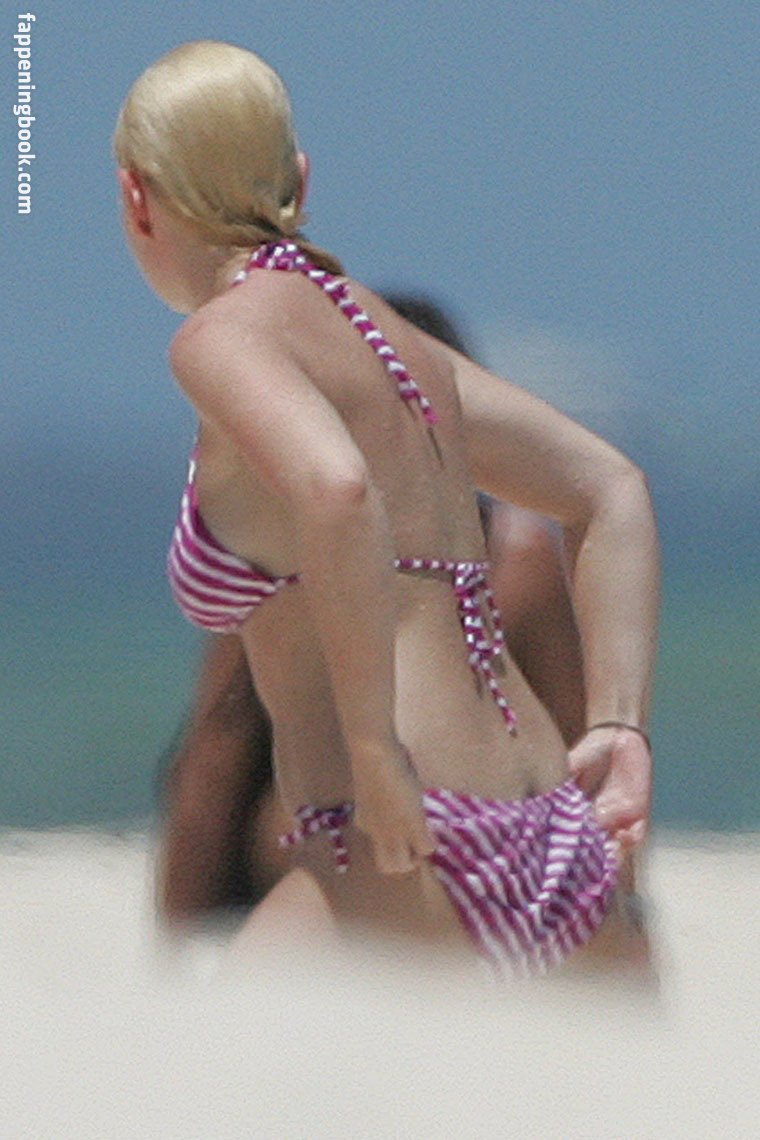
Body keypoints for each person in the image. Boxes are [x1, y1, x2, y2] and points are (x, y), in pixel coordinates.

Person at [115, 41, 658, 980]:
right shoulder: (390, 342)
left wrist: (373, 753)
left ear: (137, 197)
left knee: (198, 1060)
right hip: (552, 833)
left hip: (401, 827)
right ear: (299, 178)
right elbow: (610, 488)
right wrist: (620, 726)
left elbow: (336, 489)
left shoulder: (220, 339)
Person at [155, 297, 589, 927]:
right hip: (486, 879)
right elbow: (579, 760)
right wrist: (616, 915)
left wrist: (184, 931)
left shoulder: (287, 552)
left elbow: (217, 749)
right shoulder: (516, 561)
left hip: (333, 866)